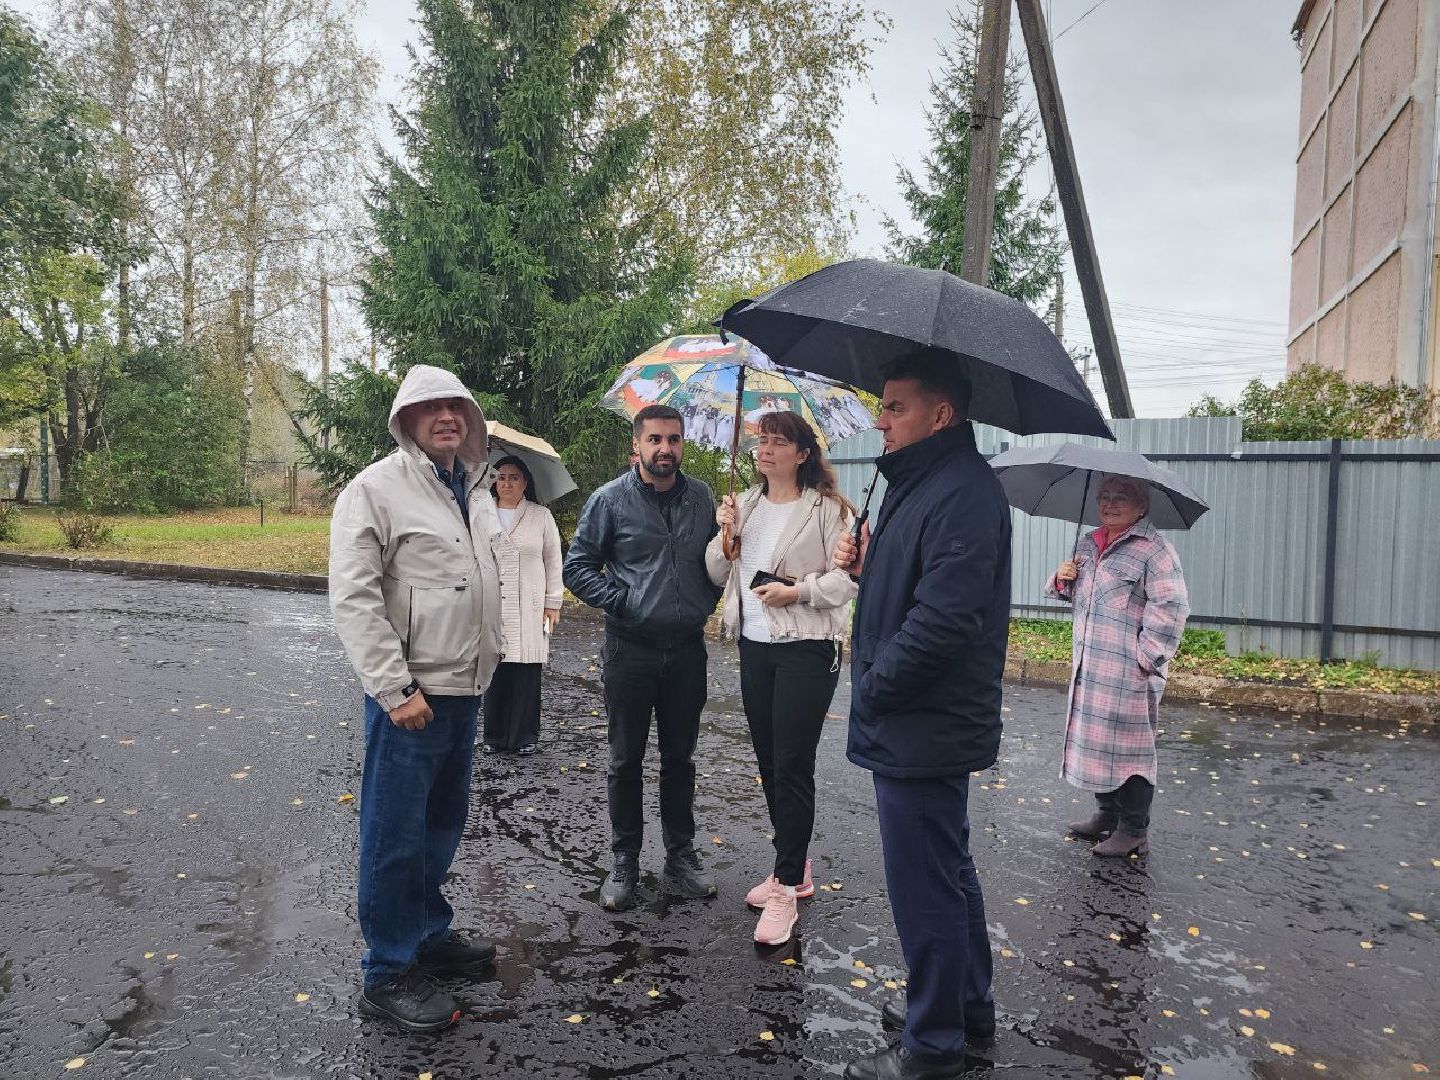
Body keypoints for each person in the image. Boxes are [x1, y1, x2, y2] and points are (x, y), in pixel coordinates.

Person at [833, 348, 1011, 1080]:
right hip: (919, 717)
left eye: (896, 406)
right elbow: (914, 588)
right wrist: (864, 568)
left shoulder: (962, 491)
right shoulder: (922, 481)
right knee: (947, 867)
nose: (882, 420)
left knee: (924, 885)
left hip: (921, 721)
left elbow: (944, 621)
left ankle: (933, 1044)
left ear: (941, 414)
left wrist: (873, 687)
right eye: (882, 406)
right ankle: (966, 1006)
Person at [328, 364, 505, 1033]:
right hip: (411, 696)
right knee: (394, 835)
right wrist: (395, 687)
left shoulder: (473, 486)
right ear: (405, 419)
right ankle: (388, 970)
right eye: (432, 409)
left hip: (464, 688)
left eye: (457, 407)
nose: (448, 418)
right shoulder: (375, 489)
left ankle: (427, 933)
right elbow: (353, 597)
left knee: (439, 826)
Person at [563, 403, 724, 912]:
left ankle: (680, 855)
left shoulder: (702, 498)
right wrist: (623, 600)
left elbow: (717, 562)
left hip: (687, 653)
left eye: (673, 440)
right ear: (637, 446)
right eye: (654, 440)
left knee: (680, 759)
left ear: (682, 444)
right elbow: (577, 567)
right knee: (624, 759)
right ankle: (625, 861)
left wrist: (708, 597)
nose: (665, 449)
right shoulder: (609, 501)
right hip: (629, 651)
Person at [705, 411, 857, 946]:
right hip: (755, 646)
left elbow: (846, 581)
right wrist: (726, 535)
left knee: (792, 764)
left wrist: (799, 592)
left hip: (805, 650)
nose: (765, 450)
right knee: (769, 759)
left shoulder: (830, 511)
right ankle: (794, 861)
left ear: (803, 453)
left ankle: (787, 885)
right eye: (761, 441)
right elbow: (717, 571)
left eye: (778, 442)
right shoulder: (742, 504)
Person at [1046, 474, 1190, 857]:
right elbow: (1075, 595)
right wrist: (1062, 579)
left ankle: (1134, 830)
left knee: (1131, 751)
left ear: (1141, 505)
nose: (1110, 504)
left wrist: (1145, 661)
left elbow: (1171, 609)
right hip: (1090, 668)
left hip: (1129, 672)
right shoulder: (1088, 544)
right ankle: (1107, 815)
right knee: (1098, 745)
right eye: (1104, 497)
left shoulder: (1155, 551)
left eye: (1121, 497)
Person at [481, 455, 563, 755]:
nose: (507, 483)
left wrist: (552, 602)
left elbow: (553, 560)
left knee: (526, 672)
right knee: (495, 671)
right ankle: (495, 736)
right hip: (492, 604)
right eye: (501, 477)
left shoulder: (540, 515)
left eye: (514, 477)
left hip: (530, 605)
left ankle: (525, 736)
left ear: (525, 482)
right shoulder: (482, 514)